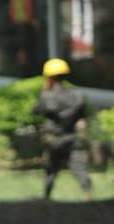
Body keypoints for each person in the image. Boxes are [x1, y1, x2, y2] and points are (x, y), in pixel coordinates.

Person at [34, 58, 92, 200]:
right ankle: (88, 197)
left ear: (49, 77)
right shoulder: (77, 95)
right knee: (80, 169)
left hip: (54, 140)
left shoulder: (46, 96)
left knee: (50, 170)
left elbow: (36, 111)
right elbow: (83, 116)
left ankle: (46, 197)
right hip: (73, 138)